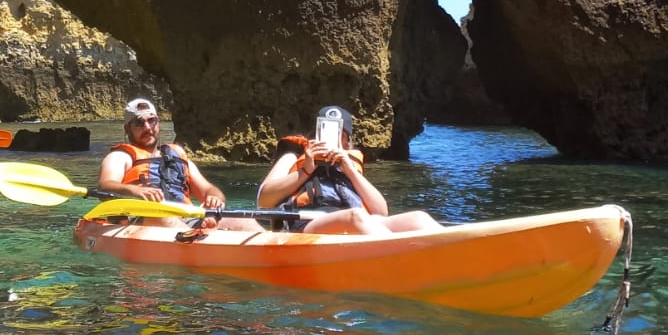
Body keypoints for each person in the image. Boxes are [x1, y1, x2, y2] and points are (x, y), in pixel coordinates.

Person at [256, 107, 441, 236]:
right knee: (355, 216)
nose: (334, 138)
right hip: (305, 224)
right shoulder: (293, 158)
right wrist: (306, 170)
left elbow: (381, 212)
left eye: (340, 134)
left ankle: (451, 256)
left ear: (347, 141)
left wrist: (350, 171)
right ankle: (400, 259)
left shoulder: (350, 164)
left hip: (352, 223)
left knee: (419, 218)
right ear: (315, 134)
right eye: (326, 131)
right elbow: (263, 201)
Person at [98, 97, 227, 210]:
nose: (147, 127)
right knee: (164, 219)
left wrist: (214, 198)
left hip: (186, 217)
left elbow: (208, 189)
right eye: (139, 123)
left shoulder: (177, 156)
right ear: (128, 129)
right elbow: (105, 186)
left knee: (244, 224)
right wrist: (135, 191)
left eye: (152, 121)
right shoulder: (120, 157)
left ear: (158, 123)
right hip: (146, 218)